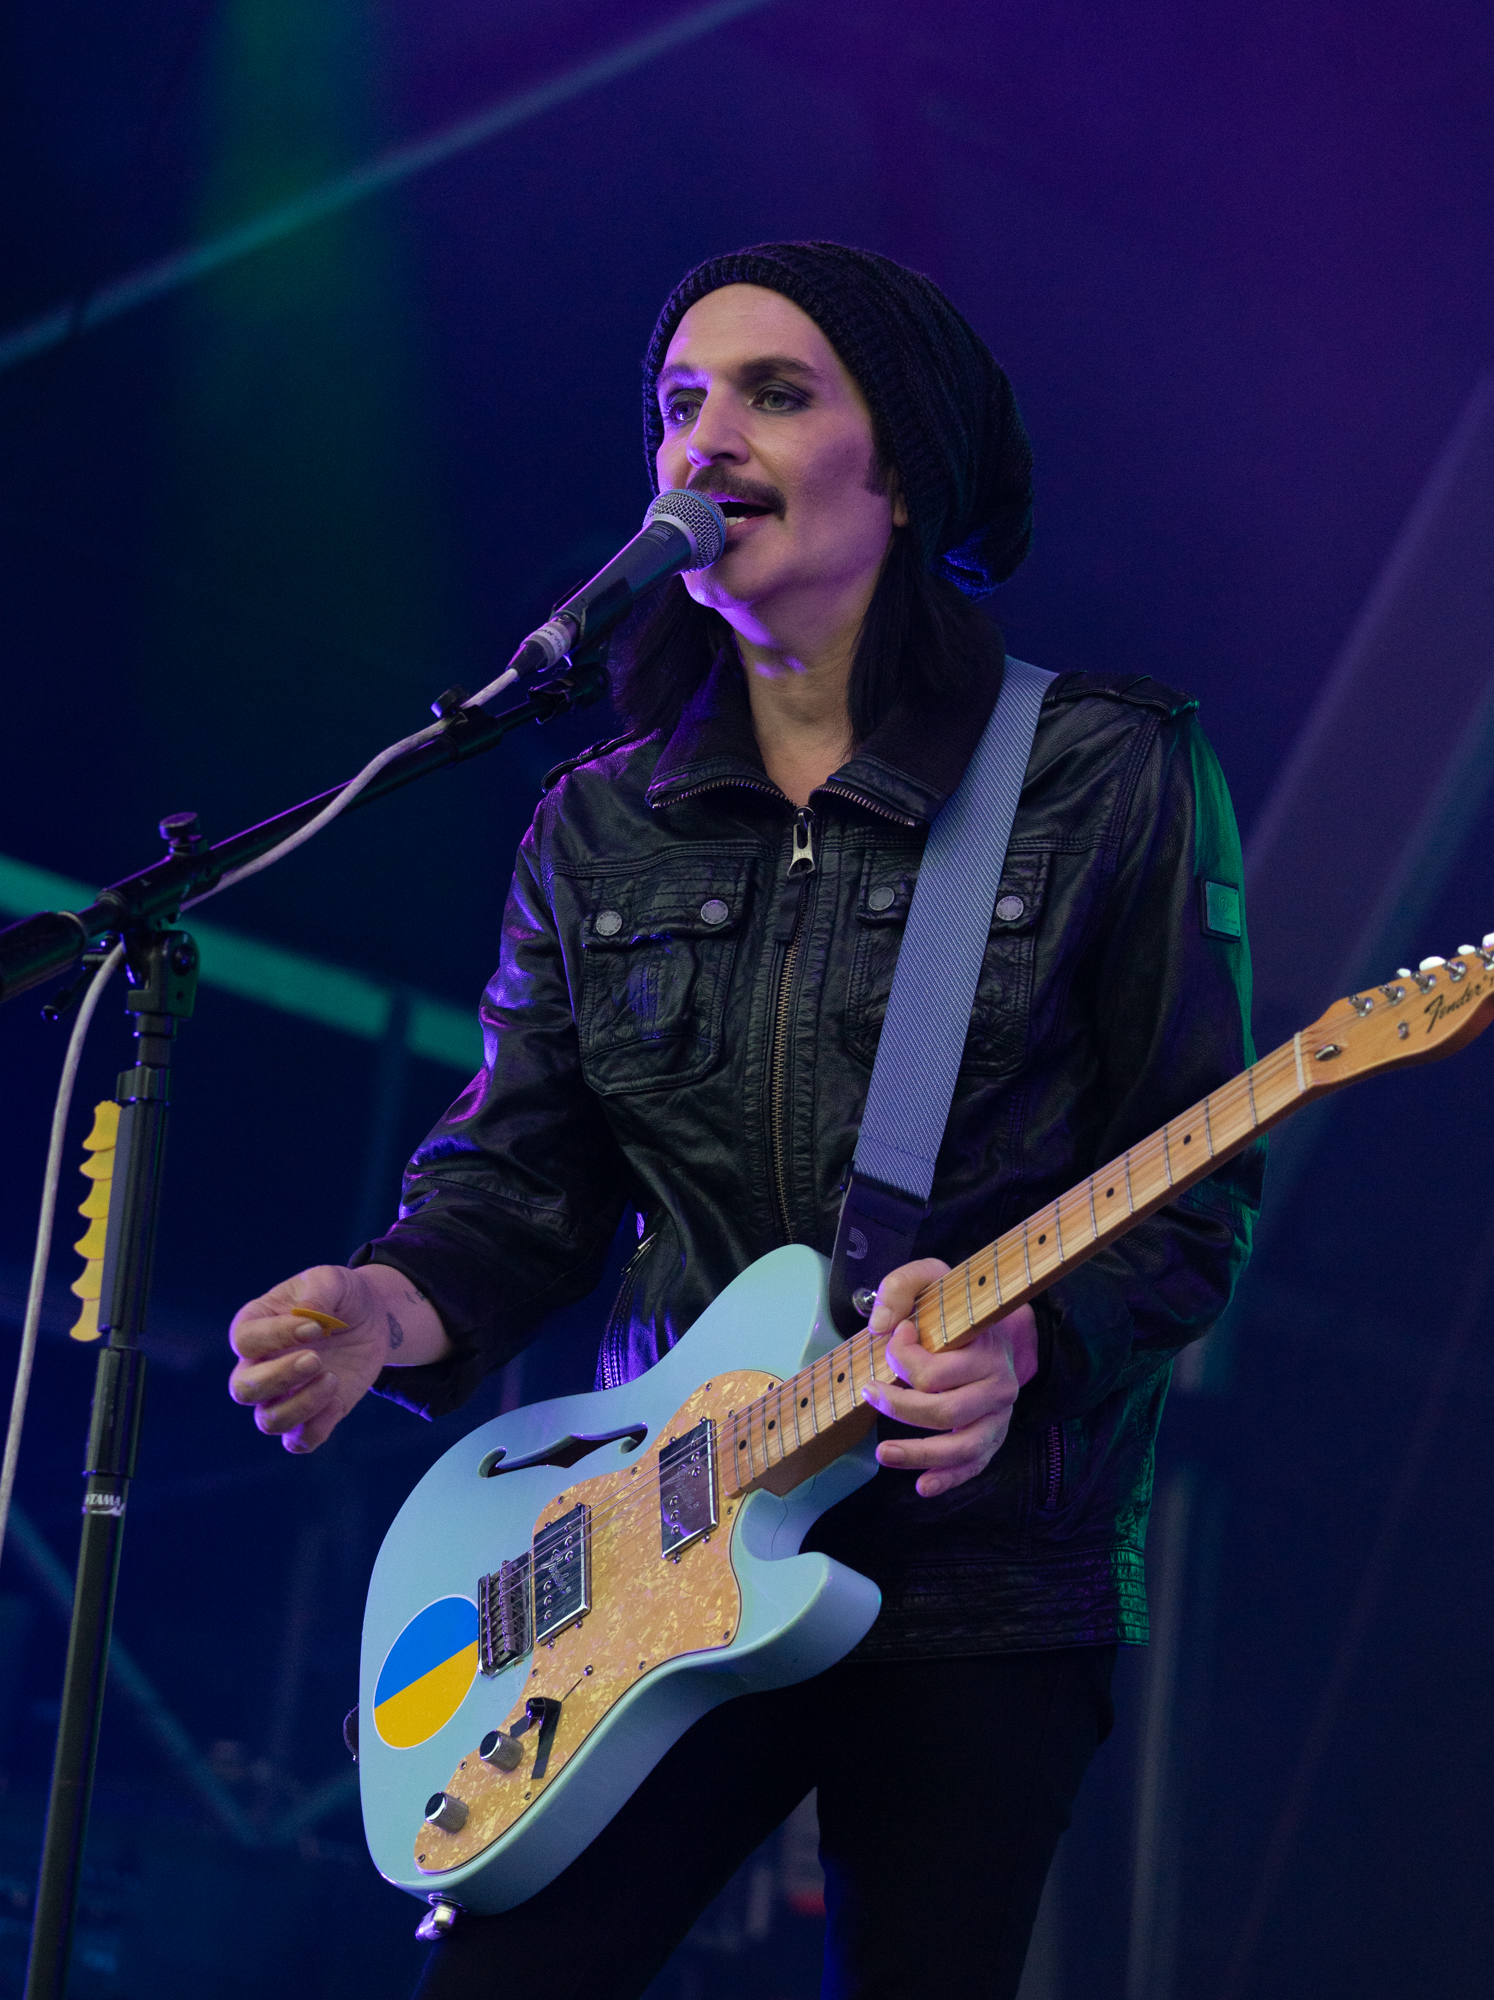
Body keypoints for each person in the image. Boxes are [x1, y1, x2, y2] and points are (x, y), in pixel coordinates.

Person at [228, 241, 1263, 2000]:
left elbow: (1199, 1186)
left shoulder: (1105, 770)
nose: (705, 440)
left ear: (905, 467)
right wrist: (385, 1309)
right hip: (657, 1545)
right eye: (679, 403)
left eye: (776, 395)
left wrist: (1029, 1348)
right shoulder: (597, 824)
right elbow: (516, 1181)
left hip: (981, 1581)